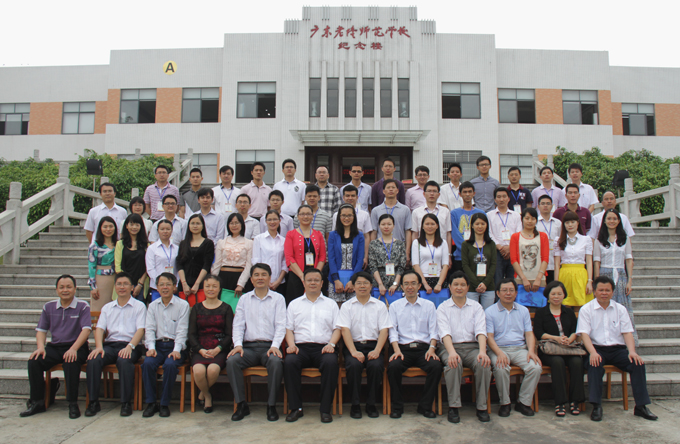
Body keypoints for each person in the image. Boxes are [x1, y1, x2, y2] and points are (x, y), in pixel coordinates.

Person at [577, 276, 657, 422]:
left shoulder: (620, 309)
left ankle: (641, 406)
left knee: (637, 363)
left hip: (617, 350)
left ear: (613, 292)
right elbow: (584, 334)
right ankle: (596, 406)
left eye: (607, 290)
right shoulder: (586, 309)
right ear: (594, 291)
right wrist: (592, 352)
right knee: (594, 364)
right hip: (596, 348)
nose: (604, 293)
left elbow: (627, 333)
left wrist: (632, 352)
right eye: (601, 290)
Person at [21, 275, 91, 419]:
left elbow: (86, 330)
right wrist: (40, 347)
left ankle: (72, 403)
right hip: (55, 347)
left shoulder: (82, 306)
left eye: (69, 287)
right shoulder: (49, 307)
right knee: (34, 361)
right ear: (56, 290)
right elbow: (41, 330)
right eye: (61, 287)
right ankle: (37, 402)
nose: (65, 290)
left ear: (75, 289)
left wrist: (73, 349)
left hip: (77, 347)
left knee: (71, 361)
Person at [227, 264, 286, 421]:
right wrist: (238, 345)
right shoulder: (244, 299)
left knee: (275, 362)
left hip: (269, 347)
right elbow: (238, 325)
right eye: (256, 275)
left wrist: (275, 346)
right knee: (232, 361)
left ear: (269, 278)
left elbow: (281, 325)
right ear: (251, 279)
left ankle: (271, 406)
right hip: (249, 348)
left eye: (264, 274)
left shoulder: (278, 299)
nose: (260, 278)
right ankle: (241, 404)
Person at [284, 268, 342, 423]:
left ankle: (325, 409)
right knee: (290, 362)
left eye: (316, 280)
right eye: (309, 280)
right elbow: (289, 329)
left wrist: (331, 344)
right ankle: (296, 408)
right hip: (300, 348)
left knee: (331, 363)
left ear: (322, 283)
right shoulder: (294, 304)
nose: (313, 283)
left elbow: (337, 328)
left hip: (324, 348)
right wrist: (291, 345)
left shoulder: (331, 304)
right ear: (303, 282)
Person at [85, 272, 146, 417]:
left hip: (131, 345)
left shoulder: (139, 306)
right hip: (110, 345)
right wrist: (99, 347)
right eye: (119, 284)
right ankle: (93, 402)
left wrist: (130, 347)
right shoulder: (107, 307)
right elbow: (99, 328)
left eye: (125, 284)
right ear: (115, 287)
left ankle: (125, 403)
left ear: (132, 287)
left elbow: (141, 330)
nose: (122, 287)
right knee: (93, 360)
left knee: (124, 361)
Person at [437, 272, 492, 423]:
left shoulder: (476, 307)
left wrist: (482, 352)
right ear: (450, 287)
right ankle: (454, 407)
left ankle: (482, 407)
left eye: (462, 285)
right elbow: (444, 333)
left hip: (472, 348)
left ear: (468, 287)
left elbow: (481, 331)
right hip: (450, 347)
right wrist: (452, 353)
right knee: (453, 363)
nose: (459, 288)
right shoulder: (443, 308)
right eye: (456, 284)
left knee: (483, 363)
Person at [386, 270, 442, 419]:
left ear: (419, 286)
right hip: (402, 349)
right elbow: (392, 332)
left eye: (413, 283)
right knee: (393, 367)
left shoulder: (429, 305)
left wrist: (432, 349)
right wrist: (396, 350)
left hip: (424, 349)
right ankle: (397, 407)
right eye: (406, 284)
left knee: (436, 366)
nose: (410, 287)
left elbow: (434, 331)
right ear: (402, 287)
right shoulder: (395, 306)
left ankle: (425, 406)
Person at [336, 271, 392, 419]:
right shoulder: (347, 306)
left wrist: (377, 350)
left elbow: (384, 330)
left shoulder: (379, 306)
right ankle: (355, 405)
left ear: (371, 286)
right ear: (353, 287)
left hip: (374, 345)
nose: (362, 286)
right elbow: (345, 330)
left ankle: (371, 404)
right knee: (353, 365)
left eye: (365, 283)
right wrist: (353, 352)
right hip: (353, 346)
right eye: (359, 283)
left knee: (376, 366)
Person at [485, 279, 542, 417]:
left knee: (535, 367)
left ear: (516, 293)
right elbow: (489, 337)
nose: (508, 293)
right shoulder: (490, 311)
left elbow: (529, 333)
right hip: (498, 349)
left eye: (511, 290)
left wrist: (531, 351)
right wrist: (499, 353)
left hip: (519, 349)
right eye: (504, 290)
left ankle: (523, 402)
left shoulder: (523, 310)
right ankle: (505, 403)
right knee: (501, 367)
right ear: (498, 293)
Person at [533, 281, 584, 417]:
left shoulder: (569, 312)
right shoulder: (541, 312)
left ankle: (575, 401)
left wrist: (570, 339)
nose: (556, 297)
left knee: (577, 362)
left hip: (568, 347)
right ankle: (560, 402)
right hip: (549, 349)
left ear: (564, 295)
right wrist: (556, 338)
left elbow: (575, 330)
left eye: (559, 294)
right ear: (548, 295)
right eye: (553, 294)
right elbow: (538, 332)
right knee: (557, 362)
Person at [142, 273, 190, 418]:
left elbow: (182, 330)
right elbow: (149, 329)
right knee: (147, 364)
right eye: (161, 284)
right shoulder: (152, 306)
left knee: (170, 365)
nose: (165, 287)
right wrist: (151, 348)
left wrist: (176, 350)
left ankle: (164, 404)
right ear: (157, 287)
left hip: (176, 346)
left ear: (174, 287)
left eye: (168, 284)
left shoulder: (183, 305)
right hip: (157, 346)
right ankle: (151, 403)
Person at [188, 274, 233, 414]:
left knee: (213, 370)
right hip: (200, 348)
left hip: (219, 348)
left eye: (214, 286)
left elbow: (229, 334)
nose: (211, 289)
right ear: (203, 288)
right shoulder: (196, 308)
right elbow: (191, 334)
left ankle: (202, 393)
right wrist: (200, 350)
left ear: (219, 289)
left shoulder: (226, 308)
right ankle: (207, 395)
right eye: (207, 286)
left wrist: (218, 349)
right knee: (198, 371)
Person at [594, 209, 638, 345]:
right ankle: (604, 339)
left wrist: (629, 280)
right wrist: (596, 281)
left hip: (620, 275)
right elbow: (597, 262)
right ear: (604, 221)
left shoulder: (624, 239)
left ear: (619, 221)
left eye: (614, 219)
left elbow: (629, 259)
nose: (612, 221)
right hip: (604, 274)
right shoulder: (599, 240)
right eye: (609, 218)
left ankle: (626, 340)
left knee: (622, 307)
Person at [285, 205, 327, 305]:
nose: (305, 217)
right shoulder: (291, 234)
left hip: (315, 278)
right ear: (298, 216)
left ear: (312, 216)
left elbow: (322, 257)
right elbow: (289, 258)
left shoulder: (318, 234)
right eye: (302, 214)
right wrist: (302, 276)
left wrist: (315, 274)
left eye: (308, 214)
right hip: (296, 276)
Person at [510, 208, 550, 306]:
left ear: (536, 220)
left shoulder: (543, 236)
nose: (530, 221)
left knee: (539, 307)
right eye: (527, 218)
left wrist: (538, 278)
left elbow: (545, 259)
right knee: (521, 307)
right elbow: (514, 260)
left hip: (539, 279)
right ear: (522, 219)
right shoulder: (515, 237)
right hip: (521, 279)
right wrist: (523, 278)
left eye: (532, 218)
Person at [327, 205, 365, 303]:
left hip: (354, 279)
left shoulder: (359, 235)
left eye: (349, 215)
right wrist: (336, 280)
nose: (346, 218)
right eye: (343, 215)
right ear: (339, 217)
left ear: (354, 217)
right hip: (336, 280)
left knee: (354, 307)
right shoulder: (333, 235)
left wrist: (353, 280)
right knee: (337, 306)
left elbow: (360, 259)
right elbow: (331, 258)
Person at [554, 211, 593, 307]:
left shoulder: (586, 239)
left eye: (572, 222)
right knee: (564, 305)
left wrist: (589, 281)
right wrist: (556, 283)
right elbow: (557, 264)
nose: (570, 225)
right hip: (564, 274)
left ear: (578, 223)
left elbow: (589, 262)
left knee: (581, 305)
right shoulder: (558, 240)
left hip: (581, 275)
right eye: (567, 222)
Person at [177, 214, 215, 306]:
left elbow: (207, 264)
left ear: (203, 226)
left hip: (202, 283)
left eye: (198, 223)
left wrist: (197, 283)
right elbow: (180, 264)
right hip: (184, 284)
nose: (195, 226)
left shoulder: (208, 243)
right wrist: (184, 283)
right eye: (192, 223)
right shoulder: (183, 243)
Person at [487, 187, 522, 287]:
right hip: (497, 252)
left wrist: (510, 247)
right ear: (495, 199)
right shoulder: (489, 215)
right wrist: (500, 247)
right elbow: (489, 233)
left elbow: (519, 233)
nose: (501, 199)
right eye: (499, 197)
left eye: (504, 196)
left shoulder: (516, 215)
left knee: (512, 281)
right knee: (497, 281)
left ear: (508, 198)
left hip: (513, 251)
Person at [212, 213, 253, 297]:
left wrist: (241, 284)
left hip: (240, 277)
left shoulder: (249, 243)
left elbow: (249, 265)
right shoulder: (221, 242)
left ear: (242, 224)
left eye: (237, 223)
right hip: (223, 277)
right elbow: (217, 264)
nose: (234, 226)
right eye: (231, 223)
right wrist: (213, 281)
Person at [461, 213, 496, 309]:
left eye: (483, 224)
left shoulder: (491, 244)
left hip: (488, 286)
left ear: (487, 225)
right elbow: (465, 266)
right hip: (472, 287)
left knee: (488, 314)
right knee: (472, 314)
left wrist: (485, 283)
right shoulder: (466, 244)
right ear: (472, 226)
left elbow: (493, 265)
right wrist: (477, 283)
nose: (480, 226)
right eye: (477, 224)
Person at [450, 181, 485, 272]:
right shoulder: (454, 213)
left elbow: (484, 233)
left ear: (474, 193)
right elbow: (455, 234)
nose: (467, 194)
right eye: (465, 192)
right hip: (460, 255)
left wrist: (474, 249)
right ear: (460, 194)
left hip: (477, 254)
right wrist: (466, 248)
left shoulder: (481, 213)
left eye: (470, 191)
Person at [332, 185, 373, 263]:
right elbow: (334, 237)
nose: (350, 198)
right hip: (341, 253)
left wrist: (366, 256)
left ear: (357, 197)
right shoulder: (336, 215)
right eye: (347, 196)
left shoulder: (364, 214)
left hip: (359, 252)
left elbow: (367, 237)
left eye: (353, 196)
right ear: (343, 197)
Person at [369, 214, 407, 296]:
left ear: (394, 226)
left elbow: (401, 266)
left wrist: (395, 284)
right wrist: (380, 284)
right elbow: (373, 265)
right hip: (378, 281)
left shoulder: (400, 244)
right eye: (383, 224)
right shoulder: (373, 244)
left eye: (389, 224)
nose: (386, 227)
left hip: (396, 280)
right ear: (379, 226)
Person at [115, 214, 149, 303]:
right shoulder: (120, 244)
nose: (134, 227)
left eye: (137, 225)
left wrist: (140, 284)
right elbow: (118, 267)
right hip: (124, 285)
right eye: (131, 224)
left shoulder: (146, 245)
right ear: (126, 226)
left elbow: (148, 267)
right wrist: (127, 284)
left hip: (141, 285)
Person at [411, 213, 450, 294]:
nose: (430, 226)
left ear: (437, 226)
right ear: (422, 226)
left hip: (439, 279)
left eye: (432, 224)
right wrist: (425, 284)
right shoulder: (416, 243)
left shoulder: (443, 243)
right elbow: (415, 265)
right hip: (422, 279)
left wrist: (439, 284)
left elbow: (445, 265)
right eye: (427, 224)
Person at [253, 210, 288, 294]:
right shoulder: (258, 239)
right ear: (265, 221)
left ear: (279, 221)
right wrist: (265, 281)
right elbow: (256, 261)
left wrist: (279, 281)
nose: (272, 222)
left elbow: (284, 263)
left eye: (275, 219)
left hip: (279, 283)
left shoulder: (284, 240)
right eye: (269, 220)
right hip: (262, 282)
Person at [370, 179, 412, 247]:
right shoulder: (376, 210)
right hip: (380, 247)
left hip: (399, 246)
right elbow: (374, 231)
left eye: (393, 187)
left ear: (397, 191)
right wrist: (373, 248)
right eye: (388, 187)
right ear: (383, 191)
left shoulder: (405, 210)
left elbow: (407, 231)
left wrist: (407, 251)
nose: (391, 189)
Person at [88, 217, 118, 311]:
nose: (108, 229)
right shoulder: (95, 246)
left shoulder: (118, 244)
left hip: (115, 279)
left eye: (111, 226)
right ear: (100, 228)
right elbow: (91, 266)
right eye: (105, 227)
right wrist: (93, 286)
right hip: (100, 279)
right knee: (99, 309)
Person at [411, 181, 452, 248]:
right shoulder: (416, 212)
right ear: (424, 194)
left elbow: (448, 233)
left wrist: (448, 252)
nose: (432, 194)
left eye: (434, 191)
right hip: (423, 248)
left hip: (441, 248)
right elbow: (415, 233)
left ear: (439, 194)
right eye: (429, 191)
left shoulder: (445, 211)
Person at [146, 219, 179, 302]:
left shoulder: (176, 248)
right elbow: (150, 269)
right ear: (158, 231)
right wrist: (160, 284)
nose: (165, 231)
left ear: (172, 230)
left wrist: (176, 284)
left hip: (173, 287)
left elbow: (179, 268)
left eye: (168, 229)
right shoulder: (152, 248)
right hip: (157, 288)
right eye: (162, 229)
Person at [536, 195, 562, 284]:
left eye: (548, 204)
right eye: (543, 204)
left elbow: (561, 240)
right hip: (540, 263)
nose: (545, 206)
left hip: (555, 262)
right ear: (538, 206)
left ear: (552, 206)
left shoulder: (558, 223)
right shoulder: (535, 223)